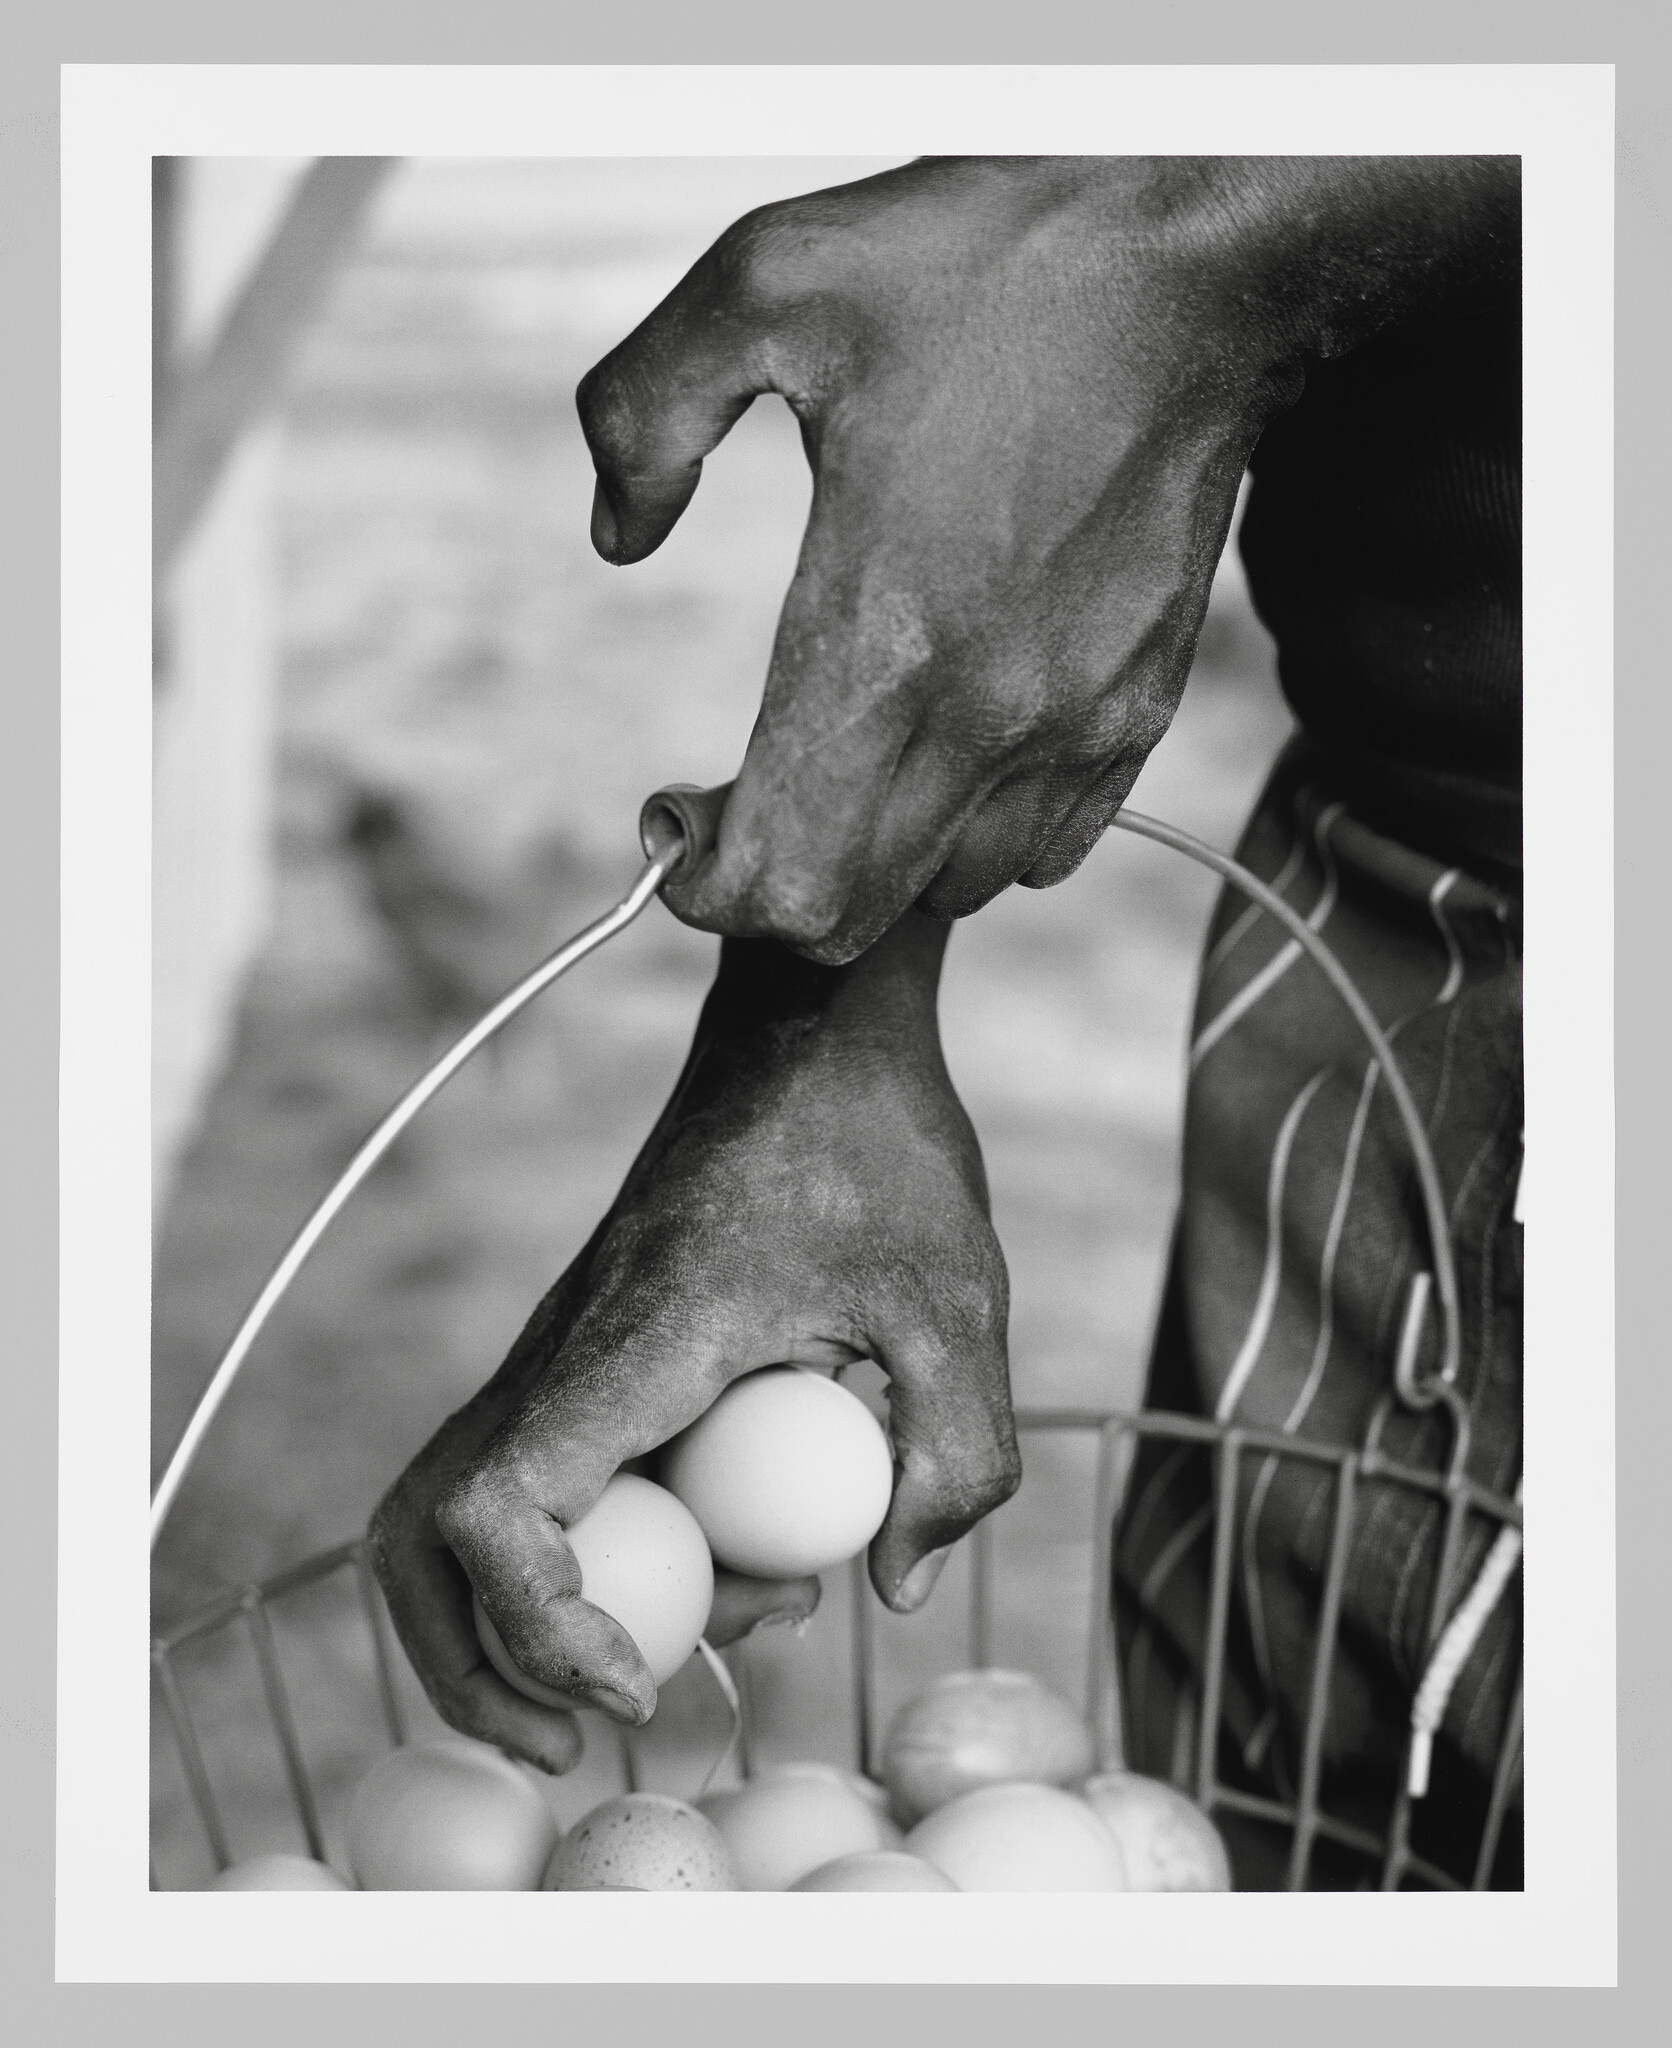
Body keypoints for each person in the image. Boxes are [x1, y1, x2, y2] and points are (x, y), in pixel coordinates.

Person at [369, 157, 1522, 1884]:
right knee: (1302, 1849)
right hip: (1403, 922)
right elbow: (1071, 332)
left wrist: (1182, 247)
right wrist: (827, 994)